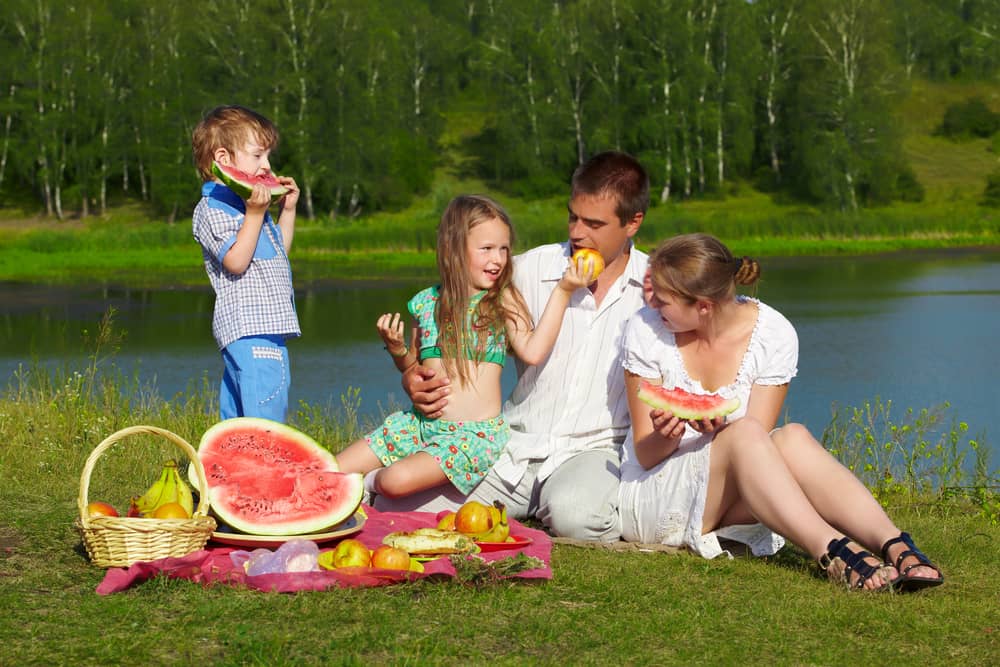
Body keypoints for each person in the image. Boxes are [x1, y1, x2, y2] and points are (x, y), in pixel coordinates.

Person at [618, 233, 944, 592]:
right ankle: (832, 551)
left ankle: (894, 543)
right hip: (655, 494)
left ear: (704, 306)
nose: (653, 305)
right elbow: (646, 455)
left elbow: (759, 446)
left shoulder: (773, 333)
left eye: (663, 300)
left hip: (742, 489)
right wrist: (668, 434)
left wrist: (720, 428)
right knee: (744, 434)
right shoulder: (646, 330)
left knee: (792, 437)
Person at [391, 151, 651, 541]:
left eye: (594, 223)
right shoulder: (526, 269)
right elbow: (448, 320)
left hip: (593, 451)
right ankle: (535, 506)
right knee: (402, 505)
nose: (577, 233)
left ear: (633, 223)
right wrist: (412, 374)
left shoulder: (655, 290)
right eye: (572, 217)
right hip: (511, 445)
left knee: (576, 518)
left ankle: (588, 504)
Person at [334, 195, 596, 501]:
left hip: (470, 438)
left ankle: (366, 488)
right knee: (331, 466)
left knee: (394, 481)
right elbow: (413, 369)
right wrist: (396, 349)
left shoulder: (502, 300)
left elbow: (533, 351)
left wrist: (564, 290)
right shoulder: (427, 302)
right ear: (453, 249)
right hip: (417, 425)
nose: (498, 259)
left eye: (504, 249)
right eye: (486, 249)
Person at [191, 105, 301, 422]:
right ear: (224, 159)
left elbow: (277, 253)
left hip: (265, 330)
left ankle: (226, 471)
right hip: (251, 329)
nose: (267, 166)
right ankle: (263, 473)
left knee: (239, 421)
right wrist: (254, 215)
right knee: (264, 422)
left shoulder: (249, 204)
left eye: (268, 157)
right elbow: (237, 261)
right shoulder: (213, 208)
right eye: (257, 156)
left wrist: (288, 211)